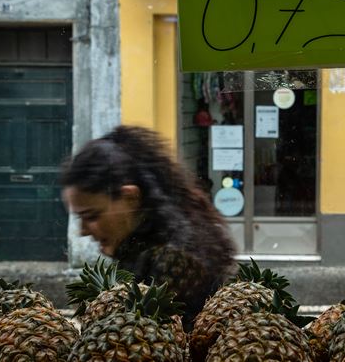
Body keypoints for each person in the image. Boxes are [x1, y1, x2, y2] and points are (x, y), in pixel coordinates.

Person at [61, 125, 237, 329]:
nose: (83, 231)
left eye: (92, 216)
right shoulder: (146, 246)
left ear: (130, 197)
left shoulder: (172, 262)